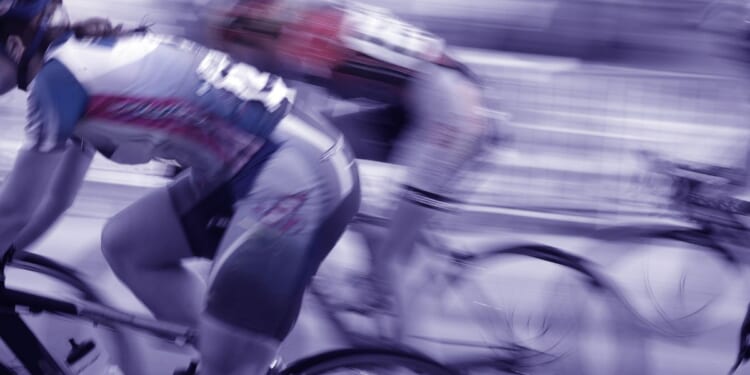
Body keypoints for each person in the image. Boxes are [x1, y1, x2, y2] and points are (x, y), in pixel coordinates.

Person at [0, 0, 360, 374]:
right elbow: (55, 200)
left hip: (294, 173)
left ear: (14, 46)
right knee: (128, 243)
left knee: (226, 366)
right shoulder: (76, 63)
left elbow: (15, 207)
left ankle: (237, 360)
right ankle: (240, 357)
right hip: (270, 164)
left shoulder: (57, 81)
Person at [199, 0, 494, 322]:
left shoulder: (303, 38)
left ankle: (403, 361)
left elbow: (288, 121)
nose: (241, 63)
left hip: (449, 111)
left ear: (251, 35)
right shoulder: (308, 20)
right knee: (332, 152)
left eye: (236, 51)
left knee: (389, 258)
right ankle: (378, 241)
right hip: (414, 101)